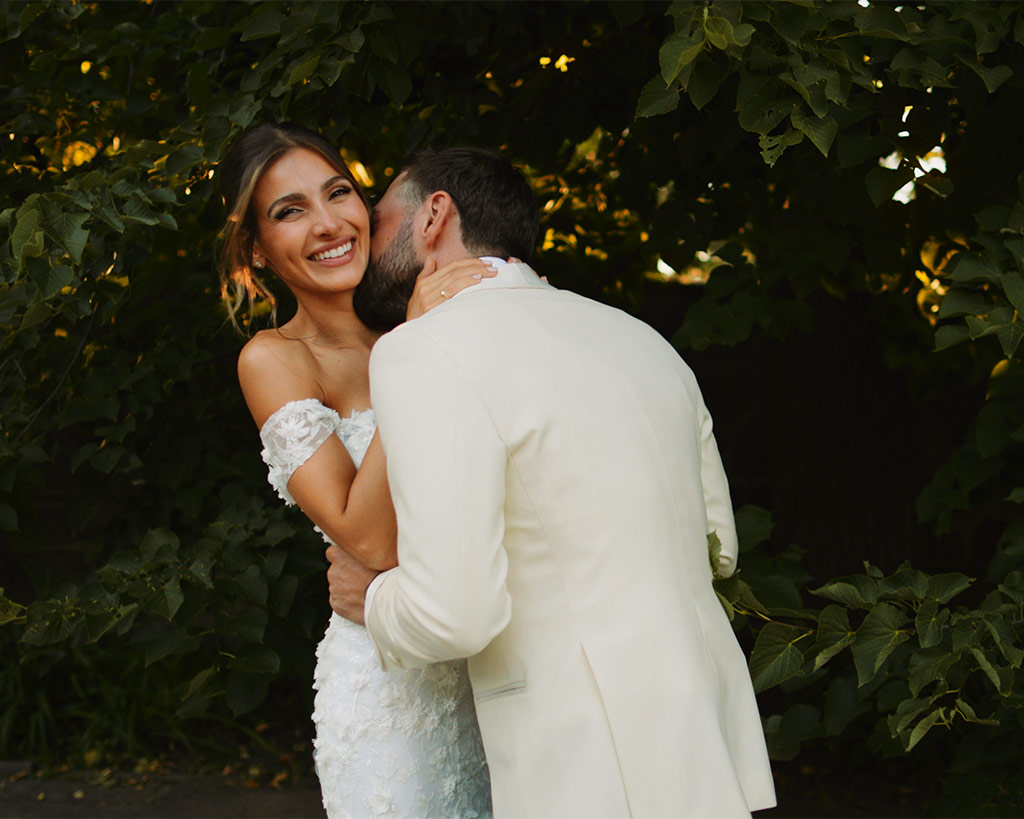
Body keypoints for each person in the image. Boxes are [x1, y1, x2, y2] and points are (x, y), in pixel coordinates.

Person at [326, 147, 778, 817]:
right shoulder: (642, 339)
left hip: (584, 761)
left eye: (380, 213)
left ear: (434, 216)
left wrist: (374, 597)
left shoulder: (423, 348)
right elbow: (719, 551)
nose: (366, 232)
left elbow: (457, 613)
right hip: (702, 743)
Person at [217, 124, 494, 818]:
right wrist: (417, 350)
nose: (327, 223)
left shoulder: (437, 314)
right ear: (256, 247)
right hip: (389, 693)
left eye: (337, 193)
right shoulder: (275, 359)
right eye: (290, 210)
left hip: (496, 666)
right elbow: (367, 537)